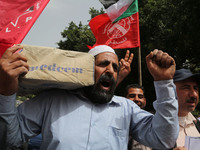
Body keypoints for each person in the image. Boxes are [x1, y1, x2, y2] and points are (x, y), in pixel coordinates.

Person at [0, 45, 178, 150]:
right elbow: (9, 139)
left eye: (115, 68)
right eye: (103, 64)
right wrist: (6, 91)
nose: (110, 70)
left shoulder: (126, 108)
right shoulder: (52, 100)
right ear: (84, 68)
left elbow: (163, 140)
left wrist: (164, 83)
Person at [172, 68, 200, 150]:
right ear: (170, 91)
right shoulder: (153, 126)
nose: (193, 94)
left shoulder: (197, 125)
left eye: (195, 88)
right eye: (186, 87)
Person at [125, 84, 152, 150]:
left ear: (145, 101)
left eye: (140, 97)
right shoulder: (119, 122)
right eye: (132, 96)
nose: (136, 99)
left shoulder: (152, 121)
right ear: (124, 100)